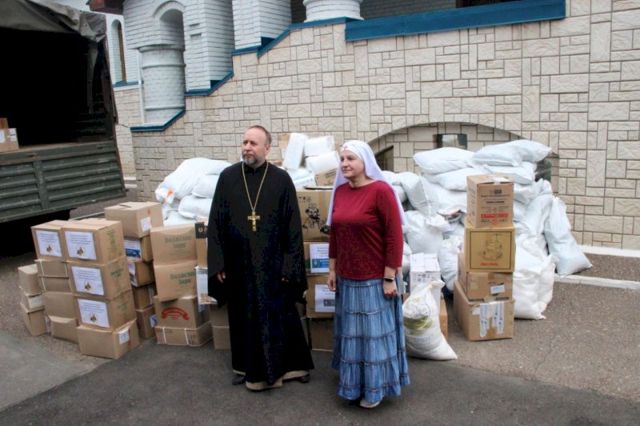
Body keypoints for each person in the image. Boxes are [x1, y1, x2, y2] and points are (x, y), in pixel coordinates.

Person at [207, 125, 314, 391]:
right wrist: (218, 262)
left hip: (273, 264)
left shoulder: (281, 179)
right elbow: (215, 222)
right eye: (245, 142)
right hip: (238, 263)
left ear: (267, 148)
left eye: (253, 143)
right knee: (243, 315)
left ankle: (292, 366)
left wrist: (290, 265)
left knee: (280, 314)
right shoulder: (228, 177)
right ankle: (245, 367)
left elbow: (293, 227)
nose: (247, 147)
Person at [327, 140, 409, 408]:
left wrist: (389, 278)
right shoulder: (340, 192)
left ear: (365, 162)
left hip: (375, 279)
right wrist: (332, 269)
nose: (345, 164)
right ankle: (353, 386)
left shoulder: (381, 191)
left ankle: (375, 389)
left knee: (373, 339)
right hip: (347, 277)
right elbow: (335, 235)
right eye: (342, 159)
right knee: (353, 337)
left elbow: (394, 237)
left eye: (351, 158)